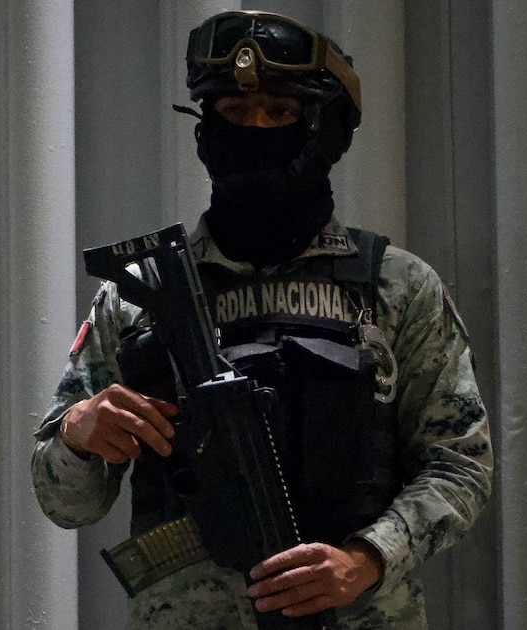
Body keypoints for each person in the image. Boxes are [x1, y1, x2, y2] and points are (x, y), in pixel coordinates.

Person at [31, 10, 493, 629]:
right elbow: (66, 505)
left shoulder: (397, 287)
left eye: (278, 112)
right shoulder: (144, 294)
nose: (254, 129)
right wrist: (77, 434)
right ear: (206, 129)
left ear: (323, 131)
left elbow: (460, 464)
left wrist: (366, 559)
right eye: (234, 111)